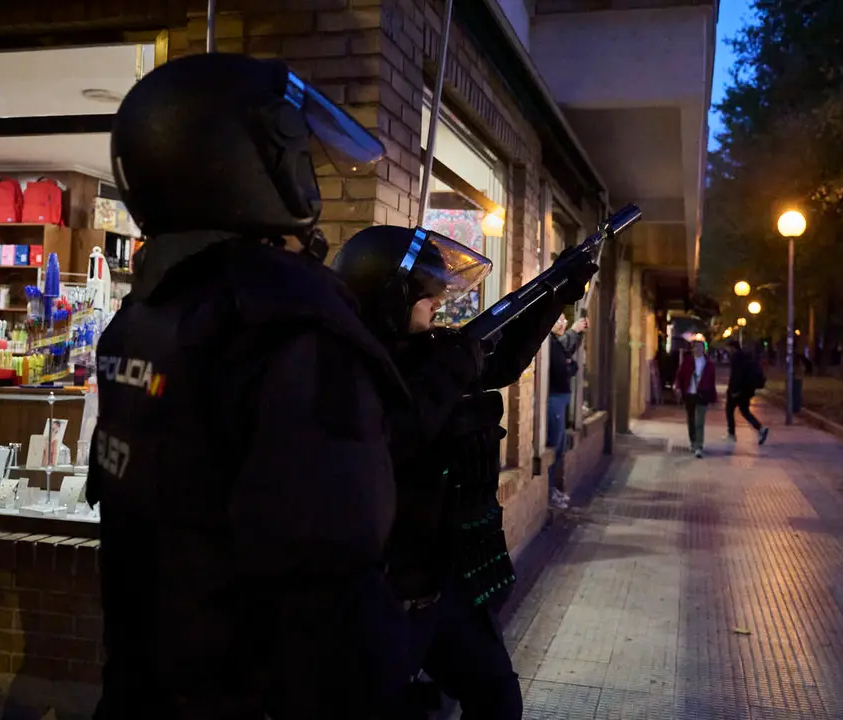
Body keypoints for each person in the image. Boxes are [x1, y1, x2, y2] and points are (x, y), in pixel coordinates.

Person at [85, 53, 411, 719]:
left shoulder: (145, 311)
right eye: (295, 153)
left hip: (153, 676)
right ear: (250, 161)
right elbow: (333, 566)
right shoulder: (288, 320)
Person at [332, 225, 598, 720]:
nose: (435, 302)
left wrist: (556, 294)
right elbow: (395, 434)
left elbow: (501, 361)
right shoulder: (349, 367)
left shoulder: (429, 352)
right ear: (389, 295)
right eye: (424, 294)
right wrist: (451, 369)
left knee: (497, 697)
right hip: (384, 597)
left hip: (441, 584)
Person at [546, 314, 588, 509]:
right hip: (553, 399)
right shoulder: (549, 343)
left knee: (559, 446)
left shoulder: (555, 342)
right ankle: (548, 491)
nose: (562, 322)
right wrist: (569, 366)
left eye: (564, 319)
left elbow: (570, 363)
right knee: (554, 445)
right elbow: (562, 369)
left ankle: (552, 489)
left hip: (559, 399)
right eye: (559, 319)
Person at [675, 340, 717, 458]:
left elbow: (712, 381)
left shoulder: (708, 363)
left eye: (699, 347)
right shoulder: (687, 361)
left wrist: (713, 396)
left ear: (704, 349)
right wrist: (678, 387)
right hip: (690, 394)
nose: (697, 349)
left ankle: (699, 446)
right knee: (691, 420)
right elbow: (680, 375)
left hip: (702, 394)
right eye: (695, 347)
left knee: (700, 421)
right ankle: (693, 441)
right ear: (692, 349)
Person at [726, 340, 769, 445]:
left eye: (728, 348)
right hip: (747, 390)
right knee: (745, 411)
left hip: (738, 391)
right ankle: (760, 428)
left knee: (729, 410)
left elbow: (736, 376)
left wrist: (733, 390)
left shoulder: (736, 359)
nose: (727, 350)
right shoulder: (746, 357)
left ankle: (731, 434)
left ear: (732, 348)